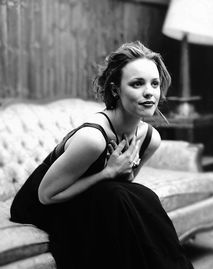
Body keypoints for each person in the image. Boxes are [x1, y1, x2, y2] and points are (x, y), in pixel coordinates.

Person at [10, 41, 194, 269]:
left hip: (91, 197)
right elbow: (45, 196)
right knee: (119, 199)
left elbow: (123, 184)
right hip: (40, 205)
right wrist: (107, 172)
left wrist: (117, 174)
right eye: (137, 84)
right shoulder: (93, 139)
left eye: (154, 83)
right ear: (116, 89)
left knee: (143, 197)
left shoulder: (150, 139)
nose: (149, 92)